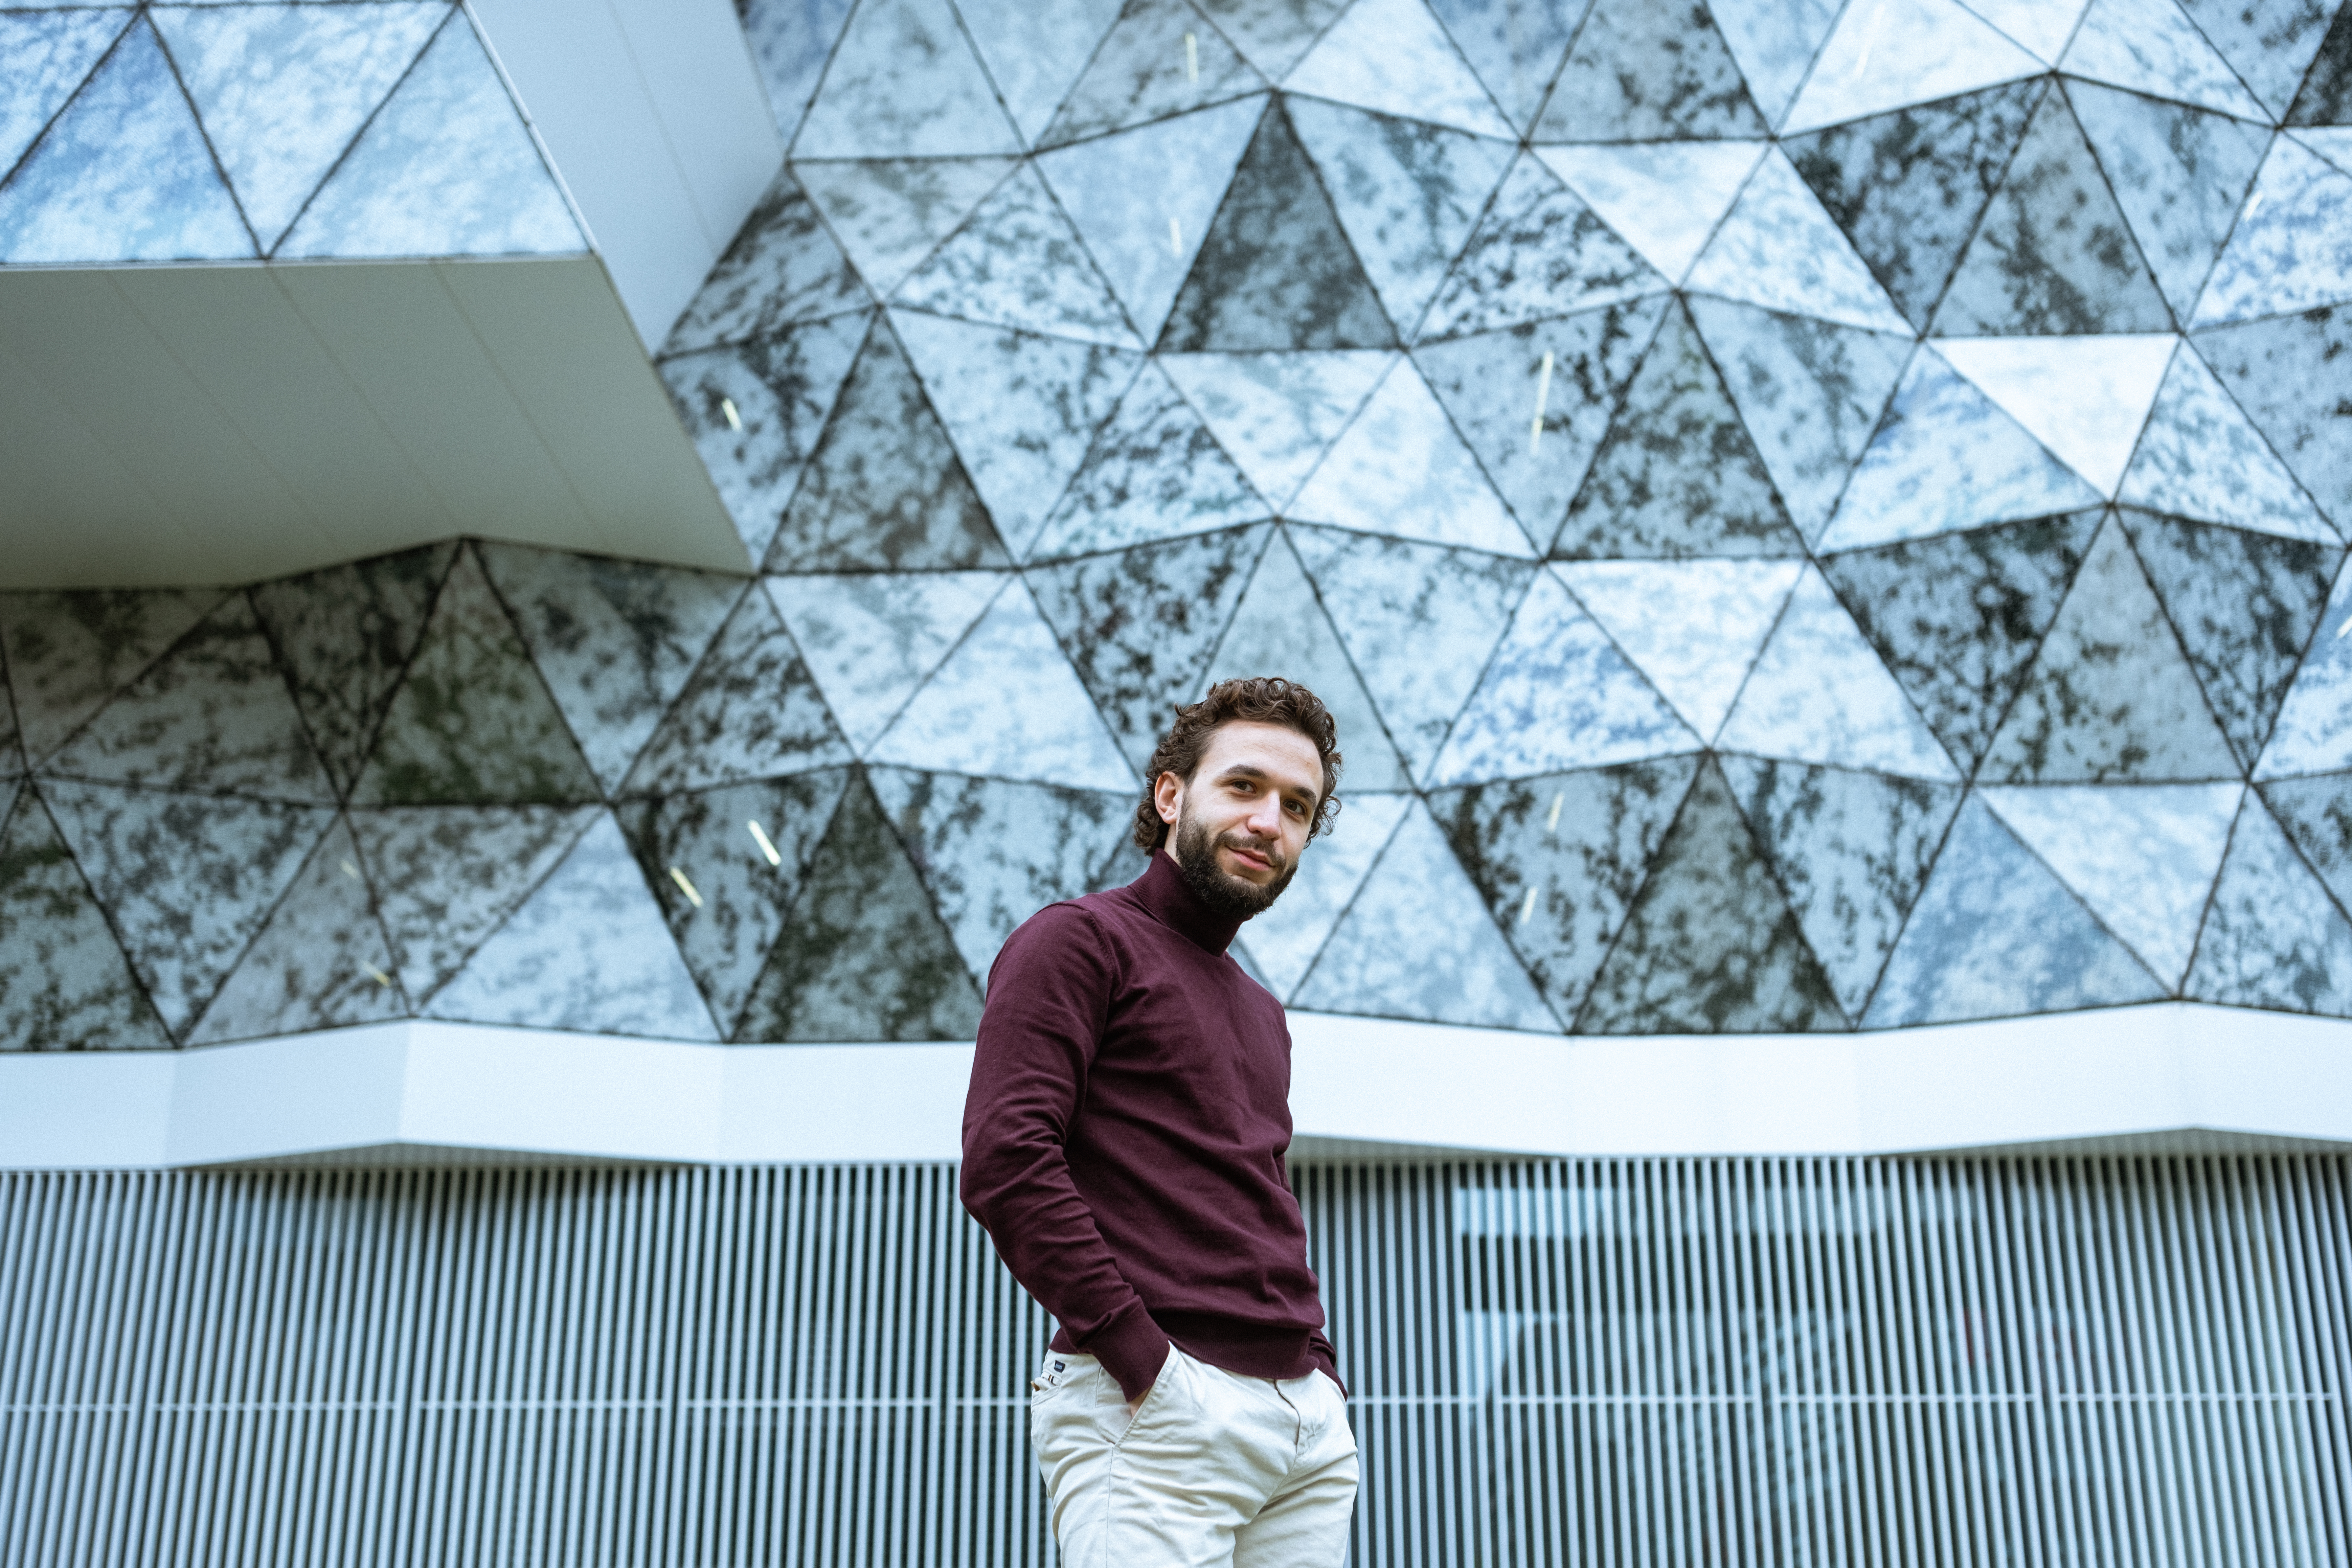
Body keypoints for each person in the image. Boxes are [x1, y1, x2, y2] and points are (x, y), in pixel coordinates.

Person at [961, 676, 1358, 1567]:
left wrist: (1319, 1370)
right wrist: (1146, 1363)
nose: (1270, 821)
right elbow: (1007, 1160)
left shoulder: (1262, 1010)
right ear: (1172, 795)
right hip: (1157, 1410)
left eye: (1298, 807)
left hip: (1301, 1427)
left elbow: (1257, 1197)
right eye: (1245, 786)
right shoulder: (1078, 941)